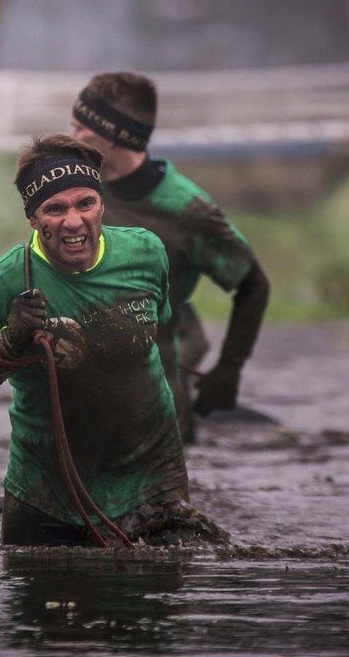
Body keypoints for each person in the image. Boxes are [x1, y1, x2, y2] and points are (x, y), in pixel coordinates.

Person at [0, 134, 227, 547]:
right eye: (55, 208)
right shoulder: (3, 282)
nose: (73, 221)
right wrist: (8, 341)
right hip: (46, 495)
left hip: (153, 482)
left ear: (102, 205)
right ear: (33, 219)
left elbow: (160, 327)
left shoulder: (147, 253)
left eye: (85, 203)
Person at [69, 72, 271, 443]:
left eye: (81, 128)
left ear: (113, 135)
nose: (71, 137)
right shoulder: (71, 186)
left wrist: (228, 371)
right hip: (74, 400)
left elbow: (253, 285)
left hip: (155, 410)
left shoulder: (186, 211)